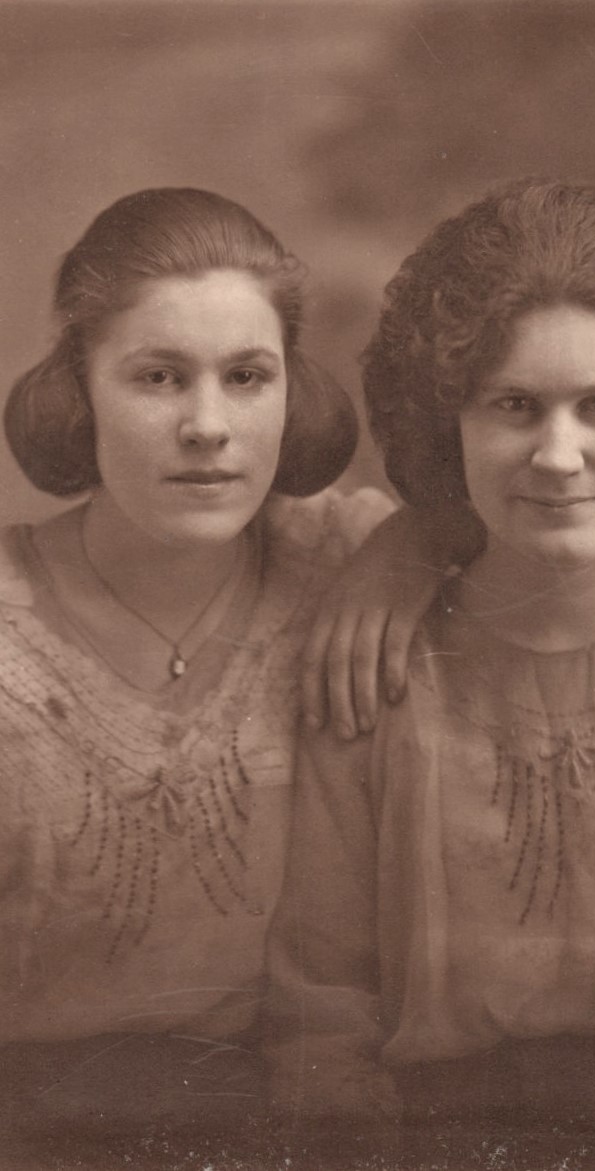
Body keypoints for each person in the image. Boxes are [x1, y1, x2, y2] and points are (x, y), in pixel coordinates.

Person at [268, 178, 595, 1163]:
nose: (556, 454)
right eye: (512, 405)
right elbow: (319, 1011)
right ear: (447, 422)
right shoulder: (377, 661)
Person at [0, 186, 465, 1157]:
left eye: (247, 376)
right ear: (79, 389)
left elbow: (511, 525)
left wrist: (407, 546)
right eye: (158, 377)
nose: (207, 425)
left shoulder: (342, 554)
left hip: (288, 1114)